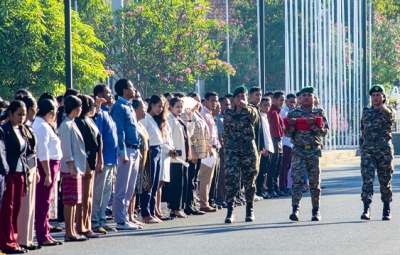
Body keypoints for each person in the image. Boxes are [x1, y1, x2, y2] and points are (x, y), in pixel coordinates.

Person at [284, 87, 329, 222]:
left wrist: (313, 125)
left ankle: (316, 210)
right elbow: (286, 133)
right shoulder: (293, 113)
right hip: (298, 150)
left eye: (309, 95)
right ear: (300, 98)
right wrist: (291, 126)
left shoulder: (319, 112)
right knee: (297, 180)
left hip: (313, 150)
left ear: (314, 97)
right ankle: (295, 209)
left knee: (314, 182)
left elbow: (324, 132)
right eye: (304, 95)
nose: (306, 97)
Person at [223, 86, 259, 224]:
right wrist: (226, 147)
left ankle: (249, 209)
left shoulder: (251, 110)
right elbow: (226, 133)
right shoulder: (228, 114)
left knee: (249, 181)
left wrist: (246, 107)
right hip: (233, 150)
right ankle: (230, 211)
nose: (240, 99)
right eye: (238, 97)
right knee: (231, 180)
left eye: (243, 96)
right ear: (234, 99)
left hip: (248, 149)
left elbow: (254, 119)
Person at [360, 85, 395, 221]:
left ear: (383, 97)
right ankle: (366, 208)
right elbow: (363, 131)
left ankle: (386, 208)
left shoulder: (389, 111)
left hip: (384, 150)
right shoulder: (366, 112)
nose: (375, 97)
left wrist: (384, 109)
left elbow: (391, 118)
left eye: (378, 95)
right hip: (368, 150)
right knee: (367, 179)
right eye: (373, 95)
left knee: (384, 180)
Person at [110, 79, 141, 230]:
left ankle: (126, 217)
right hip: (126, 150)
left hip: (134, 149)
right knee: (122, 187)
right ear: (124, 90)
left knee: (130, 187)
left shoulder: (128, 106)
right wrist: (122, 152)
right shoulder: (119, 107)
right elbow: (119, 132)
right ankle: (120, 220)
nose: (134, 89)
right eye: (131, 86)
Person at [0, 100, 30, 254]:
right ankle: (6, 243)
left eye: (24, 115)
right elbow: (2, 153)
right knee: (7, 209)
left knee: (16, 208)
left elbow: (25, 153)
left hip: (20, 173)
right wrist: (4, 174)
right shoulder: (4, 129)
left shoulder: (21, 129)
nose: (22, 118)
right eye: (19, 114)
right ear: (10, 114)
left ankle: (14, 240)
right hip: (9, 173)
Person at [32, 99, 64, 246]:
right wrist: (48, 174)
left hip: (51, 164)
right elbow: (42, 151)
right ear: (50, 113)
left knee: (46, 201)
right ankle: (42, 235)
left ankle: (46, 232)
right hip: (46, 166)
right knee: (43, 201)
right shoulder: (42, 127)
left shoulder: (44, 125)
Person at [139, 95, 174, 223]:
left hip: (158, 150)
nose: (160, 109)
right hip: (150, 150)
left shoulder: (155, 120)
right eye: (158, 106)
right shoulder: (146, 119)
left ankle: (152, 211)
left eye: (162, 107)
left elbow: (160, 139)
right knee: (149, 184)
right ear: (152, 105)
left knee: (155, 185)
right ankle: (146, 213)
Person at [58, 95, 87, 242]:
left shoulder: (71, 123)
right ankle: (69, 232)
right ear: (75, 109)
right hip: (71, 168)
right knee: (69, 201)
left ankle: (72, 230)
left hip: (76, 168)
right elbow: (66, 148)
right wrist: (71, 166)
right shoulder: (65, 125)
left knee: (75, 201)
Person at [74, 95, 102, 239]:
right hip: (85, 163)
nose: (94, 107)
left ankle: (88, 224)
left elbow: (99, 140)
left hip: (93, 161)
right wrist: (85, 164)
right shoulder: (80, 122)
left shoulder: (91, 120)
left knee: (90, 196)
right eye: (92, 104)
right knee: (84, 198)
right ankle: (81, 227)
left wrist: (99, 160)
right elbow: (81, 146)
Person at [92, 84, 118, 234]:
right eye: (108, 92)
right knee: (98, 192)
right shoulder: (99, 114)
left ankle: (102, 219)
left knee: (107, 192)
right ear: (99, 95)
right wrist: (99, 159)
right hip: (103, 159)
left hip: (111, 159)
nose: (111, 94)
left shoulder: (107, 112)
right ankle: (95, 221)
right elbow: (98, 138)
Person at [15, 96, 40, 250]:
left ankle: (28, 238)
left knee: (30, 206)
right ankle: (22, 239)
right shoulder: (18, 128)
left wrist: (35, 170)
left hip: (31, 167)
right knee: (23, 207)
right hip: (22, 168)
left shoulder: (28, 127)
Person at [167, 97, 193, 218]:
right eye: (177, 107)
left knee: (183, 183)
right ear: (170, 107)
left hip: (184, 156)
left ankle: (179, 207)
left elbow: (189, 135)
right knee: (176, 183)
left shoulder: (180, 120)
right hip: (175, 157)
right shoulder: (169, 119)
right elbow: (168, 136)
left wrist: (189, 120)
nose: (179, 109)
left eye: (181, 107)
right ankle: (175, 208)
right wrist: (172, 149)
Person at [181, 100, 208, 216]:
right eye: (194, 101)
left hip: (199, 150)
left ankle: (191, 204)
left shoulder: (196, 114)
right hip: (192, 152)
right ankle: (188, 205)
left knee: (194, 179)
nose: (197, 104)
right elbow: (189, 135)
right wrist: (192, 152)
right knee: (191, 179)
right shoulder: (184, 115)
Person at [198, 92, 220, 212]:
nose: (214, 103)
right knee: (205, 178)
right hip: (208, 149)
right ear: (205, 101)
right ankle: (203, 203)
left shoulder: (210, 114)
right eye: (212, 100)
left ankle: (207, 201)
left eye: (216, 101)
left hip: (214, 148)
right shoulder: (204, 115)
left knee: (210, 178)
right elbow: (203, 134)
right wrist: (208, 147)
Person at [267, 91, 286, 197]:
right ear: (274, 100)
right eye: (281, 100)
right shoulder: (271, 111)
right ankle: (271, 188)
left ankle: (276, 187)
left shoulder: (278, 111)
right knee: (272, 166)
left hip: (279, 139)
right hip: (273, 139)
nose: (282, 102)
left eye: (283, 100)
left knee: (278, 165)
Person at [279, 94, 297, 196]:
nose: (293, 104)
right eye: (291, 102)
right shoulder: (284, 112)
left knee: (289, 166)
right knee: (284, 166)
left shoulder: (293, 112)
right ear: (286, 102)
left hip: (291, 143)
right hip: (285, 142)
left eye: (294, 102)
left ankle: (286, 186)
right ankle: (283, 186)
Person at [256, 97, 274, 199]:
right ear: (260, 105)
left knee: (264, 171)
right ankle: (258, 190)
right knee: (260, 171)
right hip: (264, 148)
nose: (267, 107)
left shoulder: (265, 116)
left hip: (269, 146)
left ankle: (262, 189)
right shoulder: (259, 116)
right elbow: (261, 134)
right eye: (265, 105)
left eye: (269, 105)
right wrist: (263, 148)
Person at [215, 97, 230, 208]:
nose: (227, 107)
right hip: (222, 151)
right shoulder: (219, 119)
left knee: (227, 176)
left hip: (230, 150)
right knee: (221, 177)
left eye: (229, 104)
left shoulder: (228, 118)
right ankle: (220, 198)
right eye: (225, 105)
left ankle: (226, 197)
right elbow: (220, 136)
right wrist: (223, 149)